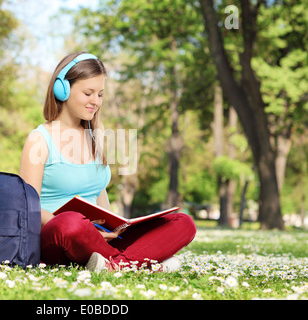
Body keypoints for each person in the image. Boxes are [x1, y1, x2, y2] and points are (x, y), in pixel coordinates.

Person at [19, 52, 196, 272]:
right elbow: (28, 208)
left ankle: (113, 265)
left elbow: (99, 192)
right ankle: (141, 264)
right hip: (59, 235)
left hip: (99, 237)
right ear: (62, 89)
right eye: (88, 93)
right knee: (71, 222)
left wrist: (116, 227)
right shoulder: (39, 139)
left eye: (100, 94)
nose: (95, 101)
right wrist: (87, 229)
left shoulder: (97, 134)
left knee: (182, 223)